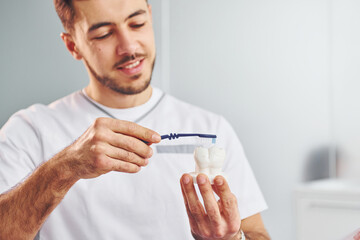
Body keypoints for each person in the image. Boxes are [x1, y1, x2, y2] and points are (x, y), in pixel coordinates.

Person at [0, 0, 270, 239]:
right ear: (73, 45)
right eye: (104, 34)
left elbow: (257, 233)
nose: (128, 47)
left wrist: (230, 239)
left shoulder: (211, 129)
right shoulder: (29, 130)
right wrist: (65, 168)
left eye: (137, 23)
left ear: (150, 17)